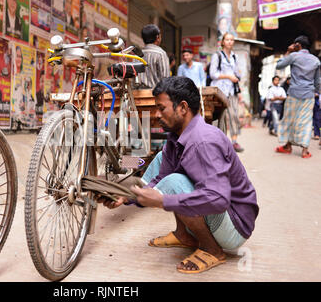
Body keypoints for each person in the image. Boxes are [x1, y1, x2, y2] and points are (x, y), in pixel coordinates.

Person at [99, 76, 259, 274]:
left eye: (161, 108)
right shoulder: (176, 138)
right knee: (162, 163)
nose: (157, 114)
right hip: (221, 214)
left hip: (235, 225)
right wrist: (127, 197)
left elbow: (218, 199)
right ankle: (184, 235)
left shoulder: (203, 142)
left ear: (182, 108)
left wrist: (163, 201)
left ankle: (212, 250)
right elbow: (159, 177)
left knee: (174, 183)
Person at [275, 35, 320, 159]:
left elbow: (279, 65)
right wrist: (317, 92)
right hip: (309, 95)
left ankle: (287, 146)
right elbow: (317, 82)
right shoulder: (316, 60)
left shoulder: (293, 56)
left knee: (290, 120)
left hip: (294, 93)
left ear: (297, 45)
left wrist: (288, 51)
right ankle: (305, 151)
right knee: (305, 121)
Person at [209, 33, 244, 152]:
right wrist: (228, 76)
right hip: (220, 91)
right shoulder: (217, 56)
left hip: (232, 91)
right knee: (220, 117)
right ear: (223, 42)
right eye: (227, 39)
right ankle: (219, 142)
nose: (230, 42)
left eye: (232, 40)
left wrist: (237, 76)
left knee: (234, 116)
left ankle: (234, 142)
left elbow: (238, 73)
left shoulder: (234, 57)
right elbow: (213, 74)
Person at [137, 24, 170, 89]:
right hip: (154, 95)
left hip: (138, 95)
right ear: (157, 37)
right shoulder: (161, 54)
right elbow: (165, 79)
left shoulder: (137, 54)